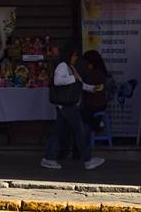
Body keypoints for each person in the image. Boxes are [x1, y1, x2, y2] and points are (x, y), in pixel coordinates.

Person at [40, 41, 105, 172]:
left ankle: (48, 158)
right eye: (74, 55)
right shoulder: (62, 66)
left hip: (65, 105)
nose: (76, 58)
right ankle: (87, 160)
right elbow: (57, 81)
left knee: (57, 132)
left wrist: (93, 88)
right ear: (68, 55)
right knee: (79, 131)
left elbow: (80, 84)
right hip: (67, 105)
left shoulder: (70, 67)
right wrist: (73, 79)